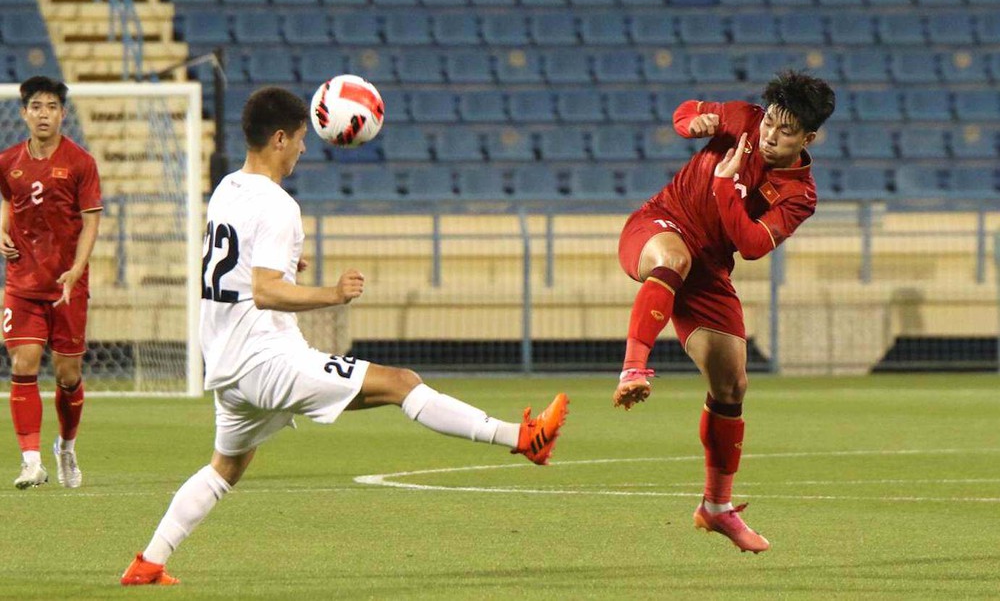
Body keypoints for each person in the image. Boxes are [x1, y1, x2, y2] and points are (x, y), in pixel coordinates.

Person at [120, 87, 569, 586]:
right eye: (299, 140)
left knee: (225, 467)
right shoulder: (278, 205)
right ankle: (525, 439)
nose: (304, 150)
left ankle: (149, 563)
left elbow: (240, 266)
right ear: (278, 138)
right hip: (266, 359)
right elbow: (266, 292)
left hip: (226, 363)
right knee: (400, 381)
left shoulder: (227, 187)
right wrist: (331, 294)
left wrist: (289, 264)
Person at [614, 71, 835, 553]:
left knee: (732, 386)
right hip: (661, 225)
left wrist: (724, 187)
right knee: (673, 259)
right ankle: (633, 367)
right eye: (771, 123)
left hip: (711, 267)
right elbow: (686, 110)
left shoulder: (800, 194)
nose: (771, 135)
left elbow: (753, 245)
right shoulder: (741, 118)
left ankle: (716, 508)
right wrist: (692, 123)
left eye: (786, 131)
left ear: (809, 138)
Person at [0, 76, 102, 490]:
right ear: (24, 113)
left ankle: (67, 447)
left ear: (63, 113)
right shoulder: (7, 161)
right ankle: (30, 462)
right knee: (23, 364)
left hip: (65, 284)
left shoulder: (80, 162)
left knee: (68, 374)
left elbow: (92, 219)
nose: (44, 114)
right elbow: (7, 198)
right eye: (36, 107)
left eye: (52, 107)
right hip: (22, 281)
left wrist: (78, 269)